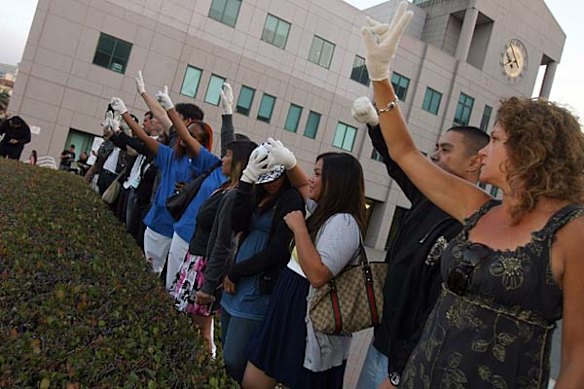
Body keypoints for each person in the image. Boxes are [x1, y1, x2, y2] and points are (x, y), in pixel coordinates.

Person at [360, 3, 584, 387]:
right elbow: (406, 154)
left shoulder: (571, 231)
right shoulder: (478, 208)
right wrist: (381, 76)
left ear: (531, 150)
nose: (483, 152)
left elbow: (578, 358)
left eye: (495, 140)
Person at [352, 97, 489, 388]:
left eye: (446, 149)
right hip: (381, 344)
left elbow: (439, 312)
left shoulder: (473, 227)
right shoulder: (426, 197)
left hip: (410, 363)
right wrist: (375, 126)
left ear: (474, 162)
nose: (435, 155)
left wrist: (399, 371)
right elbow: (398, 161)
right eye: (436, 147)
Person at [242, 148, 366, 389]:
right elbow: (300, 183)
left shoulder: (344, 222)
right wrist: (289, 161)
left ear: (336, 181)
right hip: (289, 304)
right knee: (254, 377)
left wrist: (299, 228)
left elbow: (318, 275)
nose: (311, 178)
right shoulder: (324, 211)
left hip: (305, 311)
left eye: (318, 174)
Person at [219, 141, 305, 384]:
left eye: (274, 177)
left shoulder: (291, 198)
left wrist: (237, 271)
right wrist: (247, 183)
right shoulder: (257, 193)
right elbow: (237, 224)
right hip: (236, 279)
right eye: (265, 179)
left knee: (236, 359)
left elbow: (278, 251)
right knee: (226, 349)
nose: (270, 183)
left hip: (258, 284)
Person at [109, 95, 212, 275]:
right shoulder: (170, 155)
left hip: (179, 230)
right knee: (149, 270)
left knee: (168, 278)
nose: (185, 138)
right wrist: (124, 113)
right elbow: (142, 137)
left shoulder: (204, 165)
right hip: (157, 221)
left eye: (192, 137)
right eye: (186, 133)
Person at [173, 138, 257, 357]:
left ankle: (203, 367)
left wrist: (209, 284)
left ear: (239, 162)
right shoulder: (227, 187)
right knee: (192, 323)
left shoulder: (235, 196)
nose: (223, 158)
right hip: (198, 258)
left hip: (205, 266)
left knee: (201, 327)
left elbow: (224, 243)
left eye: (228, 155)